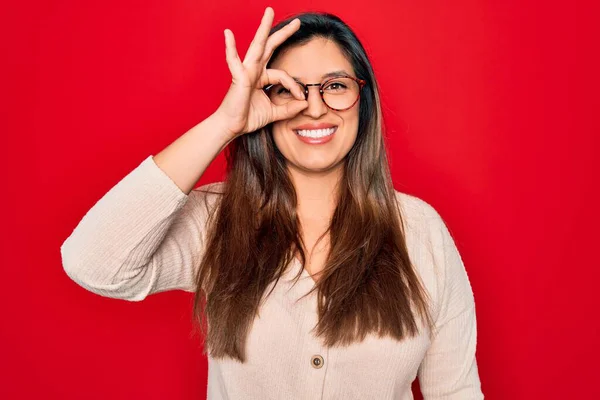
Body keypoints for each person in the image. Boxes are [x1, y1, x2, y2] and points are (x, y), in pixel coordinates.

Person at [60, 7, 484, 399]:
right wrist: (226, 123)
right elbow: (94, 263)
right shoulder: (219, 219)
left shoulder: (421, 231)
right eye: (290, 90)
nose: (314, 108)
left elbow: (456, 392)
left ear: (363, 99)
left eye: (334, 86)